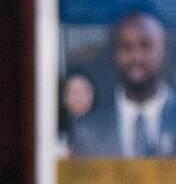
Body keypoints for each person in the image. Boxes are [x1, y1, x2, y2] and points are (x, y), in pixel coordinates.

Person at [70, 11, 176, 158]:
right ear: (113, 53)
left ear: (164, 51)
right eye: (126, 47)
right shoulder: (87, 129)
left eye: (145, 45)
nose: (136, 57)